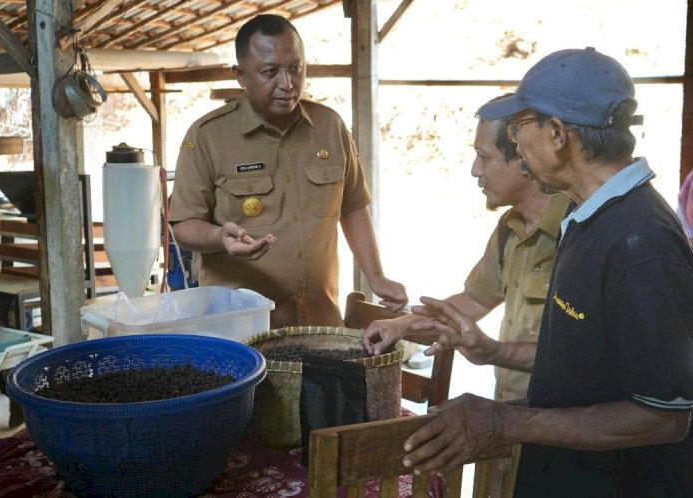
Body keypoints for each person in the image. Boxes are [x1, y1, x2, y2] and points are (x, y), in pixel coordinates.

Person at [401, 48, 693, 497]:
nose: (515, 143)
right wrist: (495, 368)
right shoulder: (587, 217)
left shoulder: (641, 244)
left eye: (519, 128)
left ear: (557, 134)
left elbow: (664, 415)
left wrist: (506, 421)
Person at [362, 98, 572, 496]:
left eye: (483, 157)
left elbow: (588, 359)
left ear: (524, 159)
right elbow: (471, 303)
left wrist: (492, 351)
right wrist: (402, 324)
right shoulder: (510, 229)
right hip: (508, 426)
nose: (475, 170)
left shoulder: (577, 233)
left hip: (565, 435)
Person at [169, 14, 407, 328]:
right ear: (240, 75)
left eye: (295, 68)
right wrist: (217, 237)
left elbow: (353, 206)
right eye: (270, 72)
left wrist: (375, 276)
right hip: (244, 334)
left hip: (320, 326)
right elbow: (184, 225)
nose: (287, 83)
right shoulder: (208, 136)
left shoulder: (330, 127)